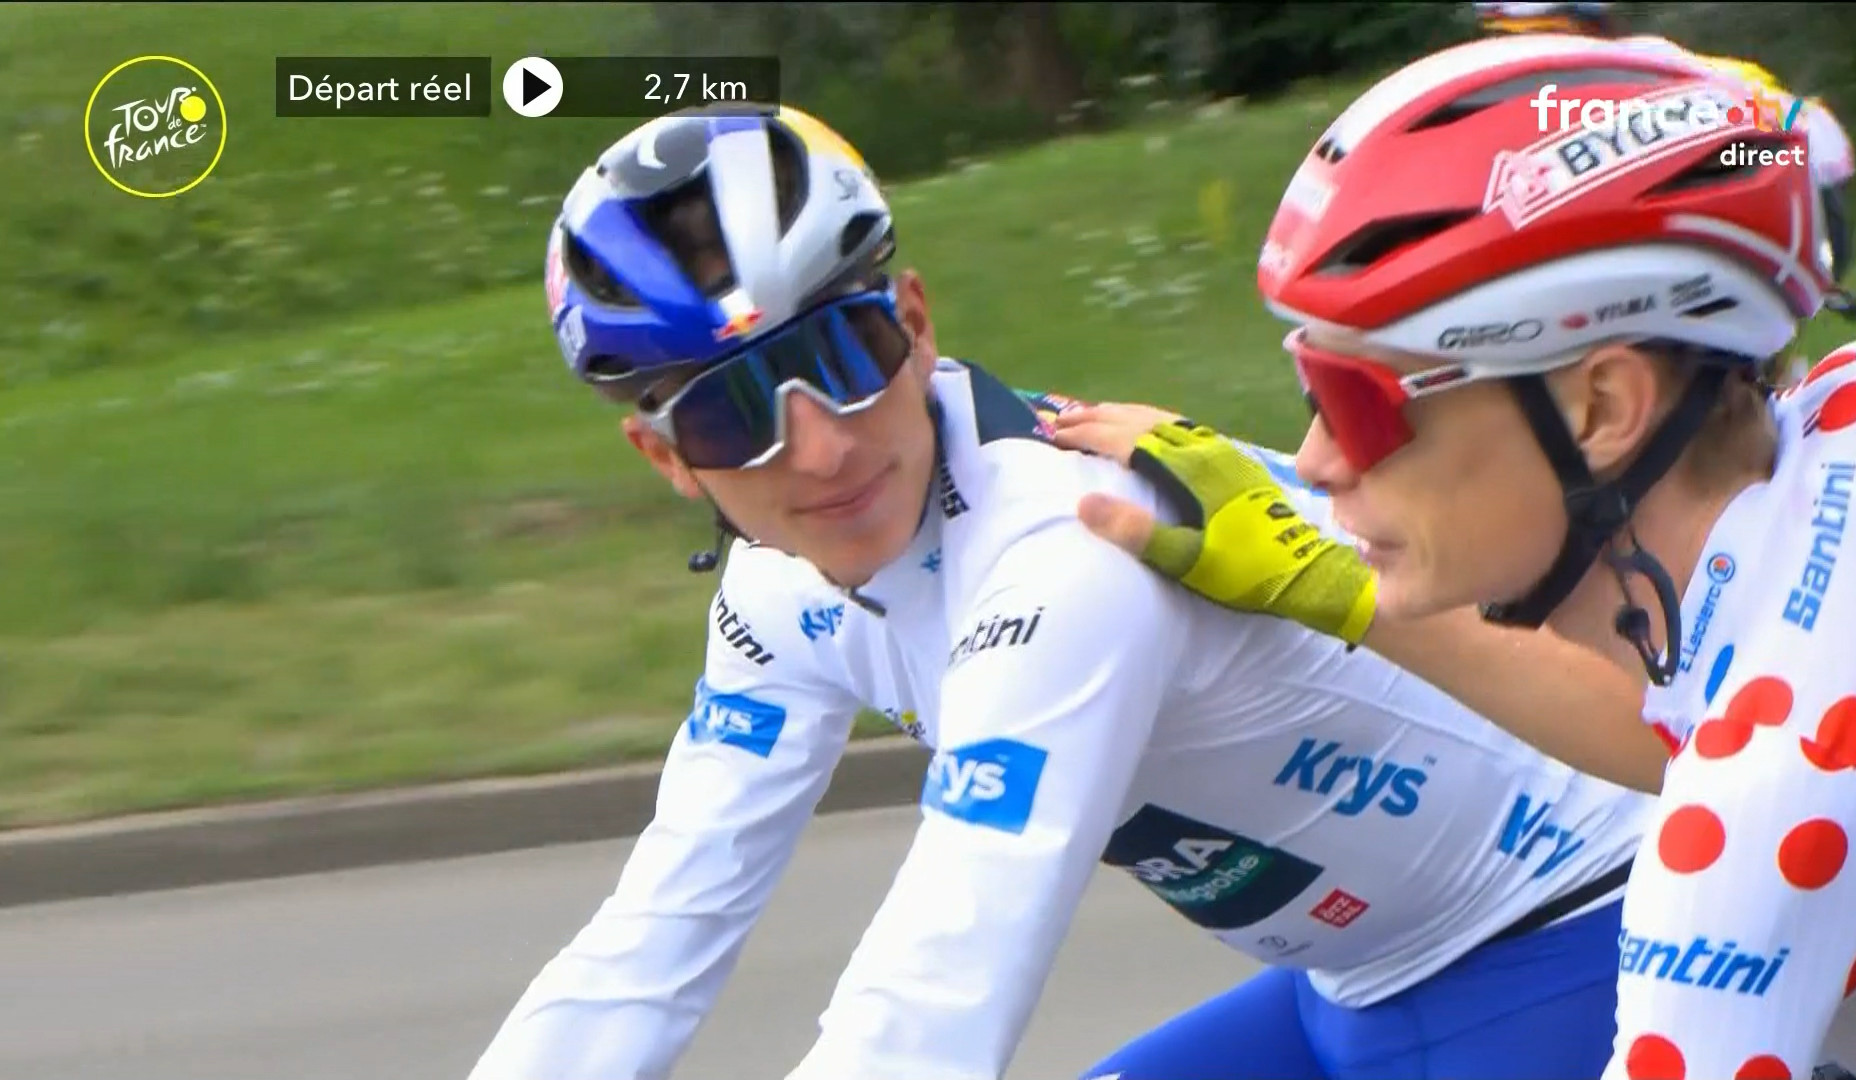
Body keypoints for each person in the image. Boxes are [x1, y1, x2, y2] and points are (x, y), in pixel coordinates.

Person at [465, 102, 1661, 1080]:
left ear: (915, 324)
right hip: (1349, 991)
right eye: (735, 415)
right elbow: (654, 939)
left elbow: (934, 999)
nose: (821, 450)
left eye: (843, 357)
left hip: (1573, 939)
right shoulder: (777, 590)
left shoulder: (1070, 546)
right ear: (669, 459)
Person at [1057, 33, 1856, 1080]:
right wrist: (1340, 588)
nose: (1317, 462)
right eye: (1309, 388)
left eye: (1356, 404)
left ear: (1602, 407)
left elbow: (1774, 775)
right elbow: (1696, 728)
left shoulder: (1746, 838)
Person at [1472, 0, 1856, 329]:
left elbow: (1811, 135)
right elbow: (1817, 138)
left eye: (1538, 37)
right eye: (1503, 40)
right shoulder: (1497, 96)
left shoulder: (1650, 63)